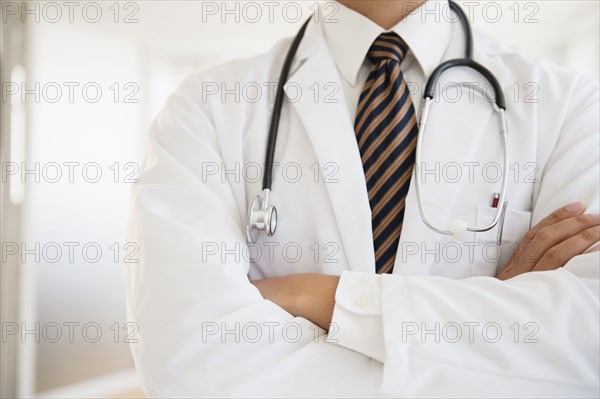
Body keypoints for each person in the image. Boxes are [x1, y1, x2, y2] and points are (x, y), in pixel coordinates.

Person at [125, 0, 600, 396]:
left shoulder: (571, 107)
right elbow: (189, 360)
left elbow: (585, 347)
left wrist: (321, 296)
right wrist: (496, 331)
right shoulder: (204, 108)